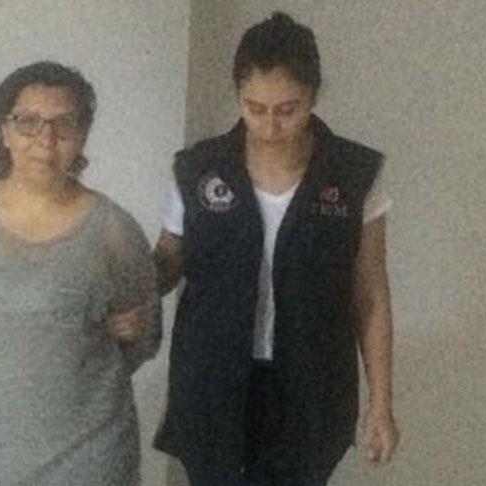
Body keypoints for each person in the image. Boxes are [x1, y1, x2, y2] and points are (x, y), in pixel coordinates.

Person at [149, 12, 399, 486]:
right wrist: (124, 284)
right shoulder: (200, 169)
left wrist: (381, 402)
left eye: (287, 109)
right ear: (238, 96)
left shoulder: (352, 174)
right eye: (254, 108)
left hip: (312, 382)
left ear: (313, 96)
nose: (269, 125)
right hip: (212, 379)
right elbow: (166, 261)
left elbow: (370, 295)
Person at [0, 61, 161, 485]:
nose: (45, 140)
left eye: (63, 124)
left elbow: (143, 337)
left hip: (88, 461)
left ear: (83, 135)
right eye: (28, 122)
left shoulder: (113, 231)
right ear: (4, 130)